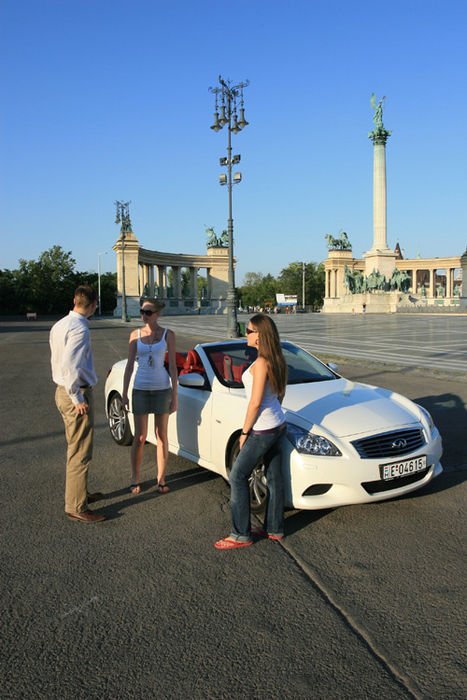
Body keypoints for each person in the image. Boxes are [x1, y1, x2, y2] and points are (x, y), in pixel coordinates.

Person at [214, 313, 288, 550]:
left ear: (259, 336)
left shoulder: (262, 363)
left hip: (263, 429)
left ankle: (240, 534)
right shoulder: (275, 359)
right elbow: (280, 394)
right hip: (278, 423)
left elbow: (255, 402)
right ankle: (274, 529)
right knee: (274, 477)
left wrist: (245, 432)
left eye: (248, 330)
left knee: (237, 476)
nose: (245, 334)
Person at [50, 285, 105, 523]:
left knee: (76, 447)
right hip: (75, 393)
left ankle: (79, 493)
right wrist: (77, 397)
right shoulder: (80, 328)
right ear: (93, 305)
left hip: (62, 391)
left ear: (75, 300)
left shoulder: (61, 323)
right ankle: (76, 505)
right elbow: (70, 366)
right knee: (80, 451)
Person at [122, 298, 178, 494]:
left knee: (161, 435)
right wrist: (124, 394)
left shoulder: (168, 335)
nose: (144, 315)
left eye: (148, 312)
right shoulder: (134, 335)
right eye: (142, 311)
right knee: (140, 436)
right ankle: (134, 477)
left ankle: (161, 479)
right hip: (140, 388)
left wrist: (175, 395)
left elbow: (172, 366)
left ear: (157, 314)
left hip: (162, 389)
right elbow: (129, 366)